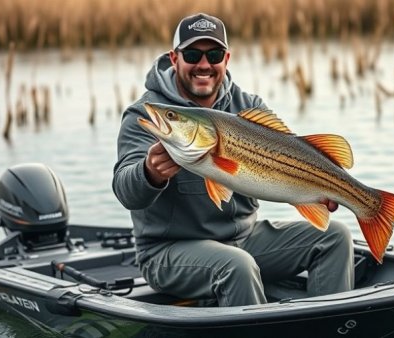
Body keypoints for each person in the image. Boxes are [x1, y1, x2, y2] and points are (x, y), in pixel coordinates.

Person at [112, 13, 354, 307]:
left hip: (245, 238)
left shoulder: (249, 107)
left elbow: (292, 157)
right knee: (236, 265)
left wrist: (312, 190)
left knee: (335, 236)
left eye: (213, 55)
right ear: (174, 59)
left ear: (226, 59)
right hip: (168, 252)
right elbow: (126, 191)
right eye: (192, 54)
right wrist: (149, 173)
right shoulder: (146, 115)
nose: (204, 65)